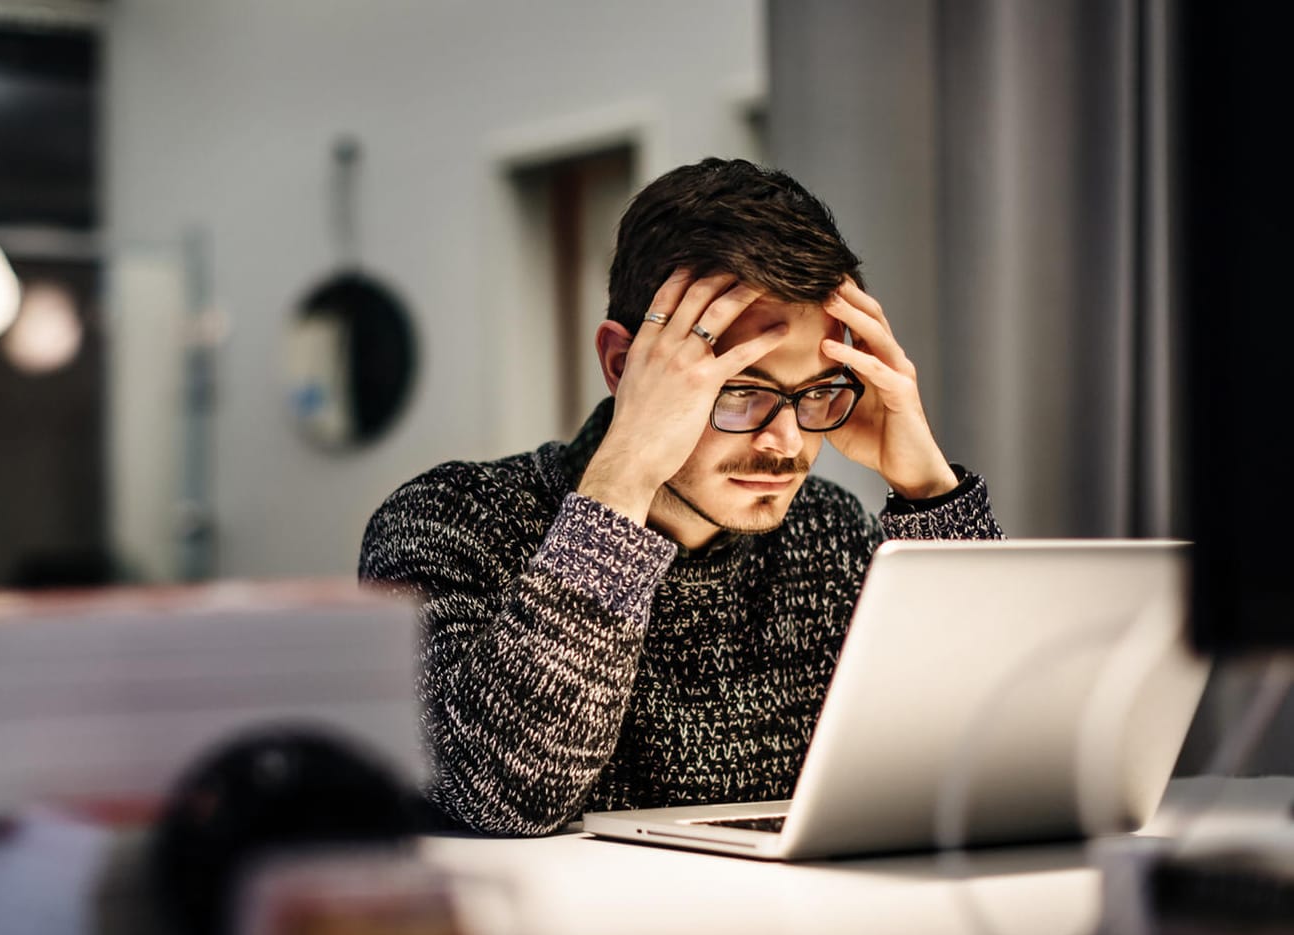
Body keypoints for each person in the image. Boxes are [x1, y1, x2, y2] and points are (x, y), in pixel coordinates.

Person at [359, 158, 1003, 837]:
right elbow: (505, 800)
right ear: (621, 365)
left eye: (815, 391)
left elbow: (992, 756)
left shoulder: (832, 534)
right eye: (741, 389)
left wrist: (931, 491)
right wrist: (626, 474)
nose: (786, 441)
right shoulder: (448, 521)